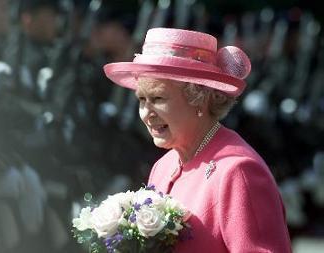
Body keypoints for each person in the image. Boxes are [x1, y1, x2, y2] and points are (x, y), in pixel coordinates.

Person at [104, 27, 292, 253]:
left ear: (199, 99)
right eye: (142, 100)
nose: (146, 113)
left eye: (158, 98)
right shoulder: (164, 166)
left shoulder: (238, 172)